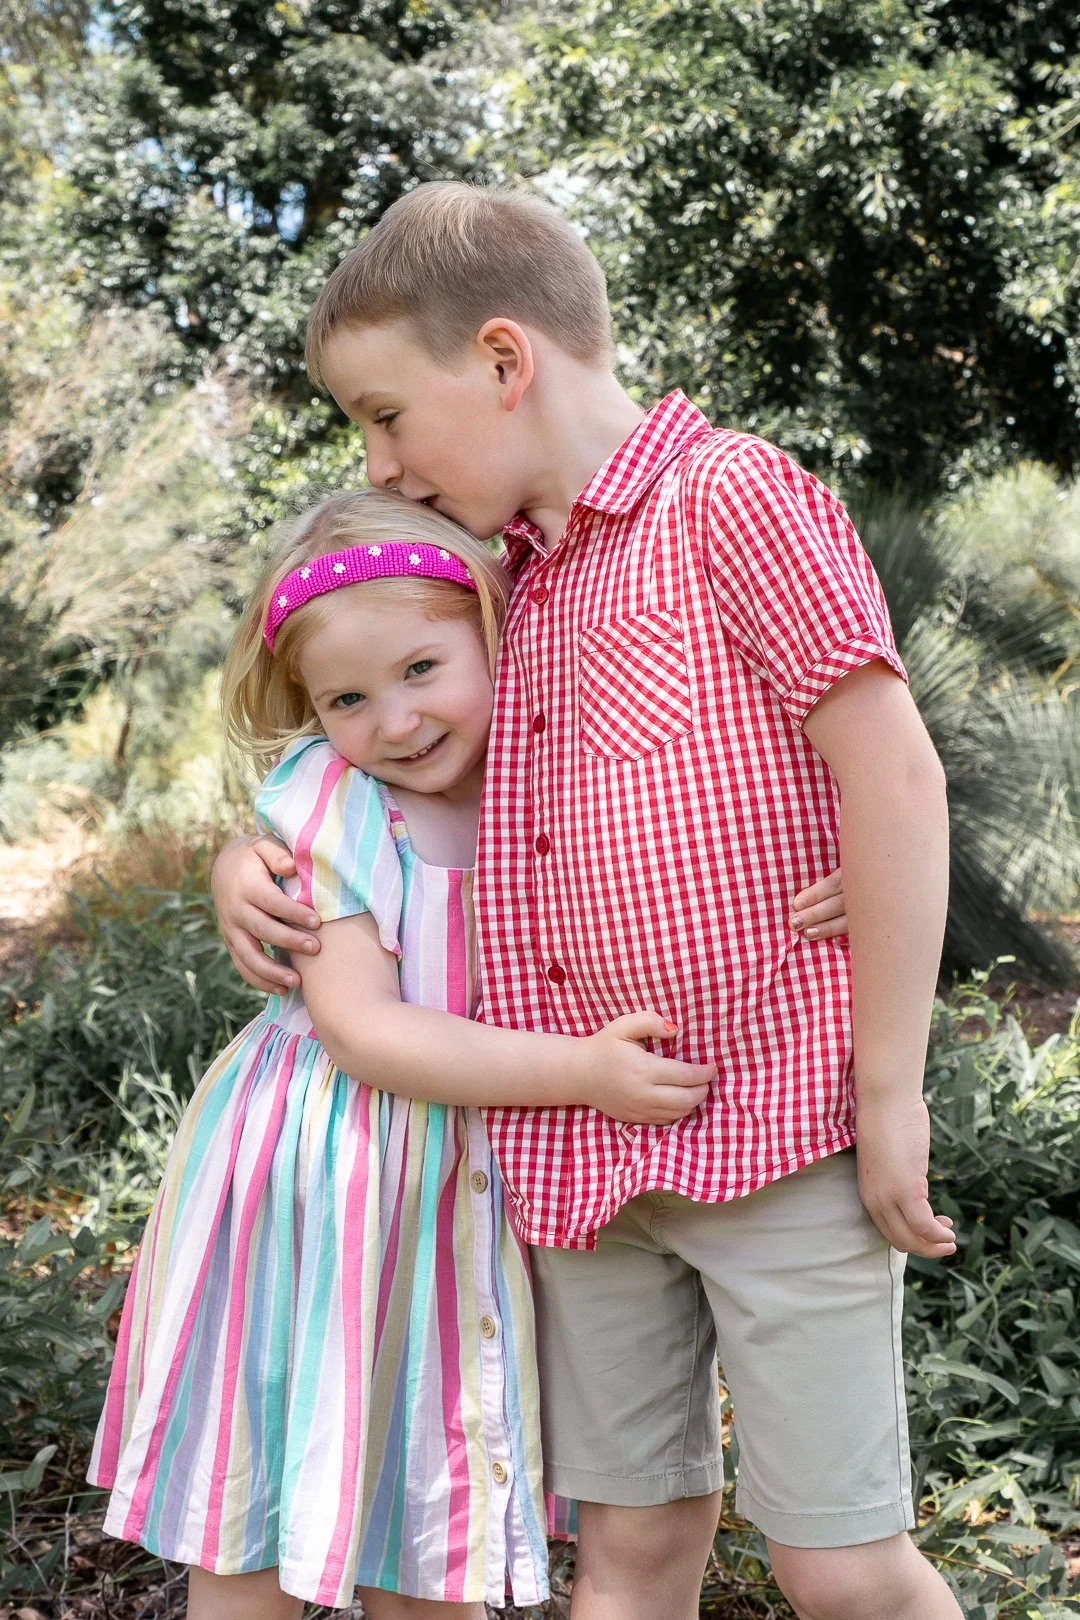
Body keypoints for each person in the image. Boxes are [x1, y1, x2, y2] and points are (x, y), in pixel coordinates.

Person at [212, 183, 961, 1620]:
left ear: (504, 362)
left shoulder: (730, 498)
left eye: (383, 416)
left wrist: (891, 1092)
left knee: (841, 1560)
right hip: (577, 1165)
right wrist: (238, 859)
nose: (379, 460)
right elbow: (366, 755)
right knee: (629, 1549)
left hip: (781, 1120)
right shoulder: (506, 584)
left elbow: (895, 776)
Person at [88, 487, 721, 1620]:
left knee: (430, 1517)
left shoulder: (555, 771)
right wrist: (582, 1072)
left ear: (493, 628)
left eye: (423, 670)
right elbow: (366, 1032)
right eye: (347, 697)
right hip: (323, 1178)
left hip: (458, 1192)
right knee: (254, 1509)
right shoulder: (339, 805)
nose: (394, 722)